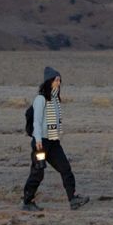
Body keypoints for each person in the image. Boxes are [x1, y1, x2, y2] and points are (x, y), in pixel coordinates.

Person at [22, 65, 89, 212]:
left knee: (65, 168)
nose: (58, 83)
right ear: (49, 81)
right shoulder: (40, 99)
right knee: (38, 172)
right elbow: (37, 121)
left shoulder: (55, 101)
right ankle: (27, 202)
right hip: (41, 143)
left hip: (53, 142)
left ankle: (73, 199)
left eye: (59, 80)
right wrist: (38, 140)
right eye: (55, 80)